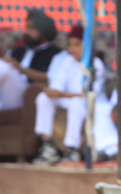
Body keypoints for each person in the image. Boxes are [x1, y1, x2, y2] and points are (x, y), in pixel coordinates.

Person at [0, 8, 66, 143]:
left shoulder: (57, 54)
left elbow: (50, 78)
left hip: (22, 97)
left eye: (32, 29)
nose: (26, 32)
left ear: (43, 32)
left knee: (7, 66)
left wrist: (21, 69)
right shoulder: (18, 50)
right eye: (27, 28)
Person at [32, 24, 107, 164]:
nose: (72, 48)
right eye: (70, 44)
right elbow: (56, 86)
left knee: (76, 103)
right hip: (70, 98)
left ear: (87, 45)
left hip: (91, 104)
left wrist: (61, 94)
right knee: (43, 98)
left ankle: (73, 149)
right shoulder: (67, 61)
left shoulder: (95, 65)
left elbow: (87, 95)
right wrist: (52, 92)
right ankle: (48, 147)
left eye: (77, 44)